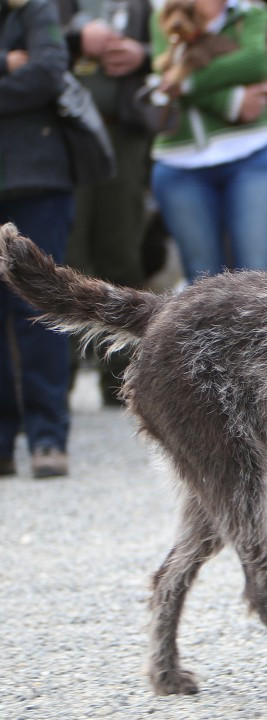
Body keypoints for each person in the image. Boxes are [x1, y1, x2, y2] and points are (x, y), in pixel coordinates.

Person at [55, 0, 153, 406]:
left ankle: (122, 381)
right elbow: (24, 49)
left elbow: (174, 44)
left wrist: (142, 55)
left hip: (122, 138)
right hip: (62, 140)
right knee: (65, 257)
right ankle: (60, 380)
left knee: (122, 254)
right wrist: (78, 40)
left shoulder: (142, 5)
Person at [149, 0, 267, 283]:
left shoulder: (252, 12)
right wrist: (232, 101)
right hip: (179, 162)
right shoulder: (164, 13)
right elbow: (164, 74)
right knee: (201, 279)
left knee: (260, 276)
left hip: (251, 153)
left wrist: (186, 82)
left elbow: (258, 62)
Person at [1, 0, 75, 477]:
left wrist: (25, 67)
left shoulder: (34, 6)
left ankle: (49, 436)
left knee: (40, 308)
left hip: (37, 182)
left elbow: (48, 72)